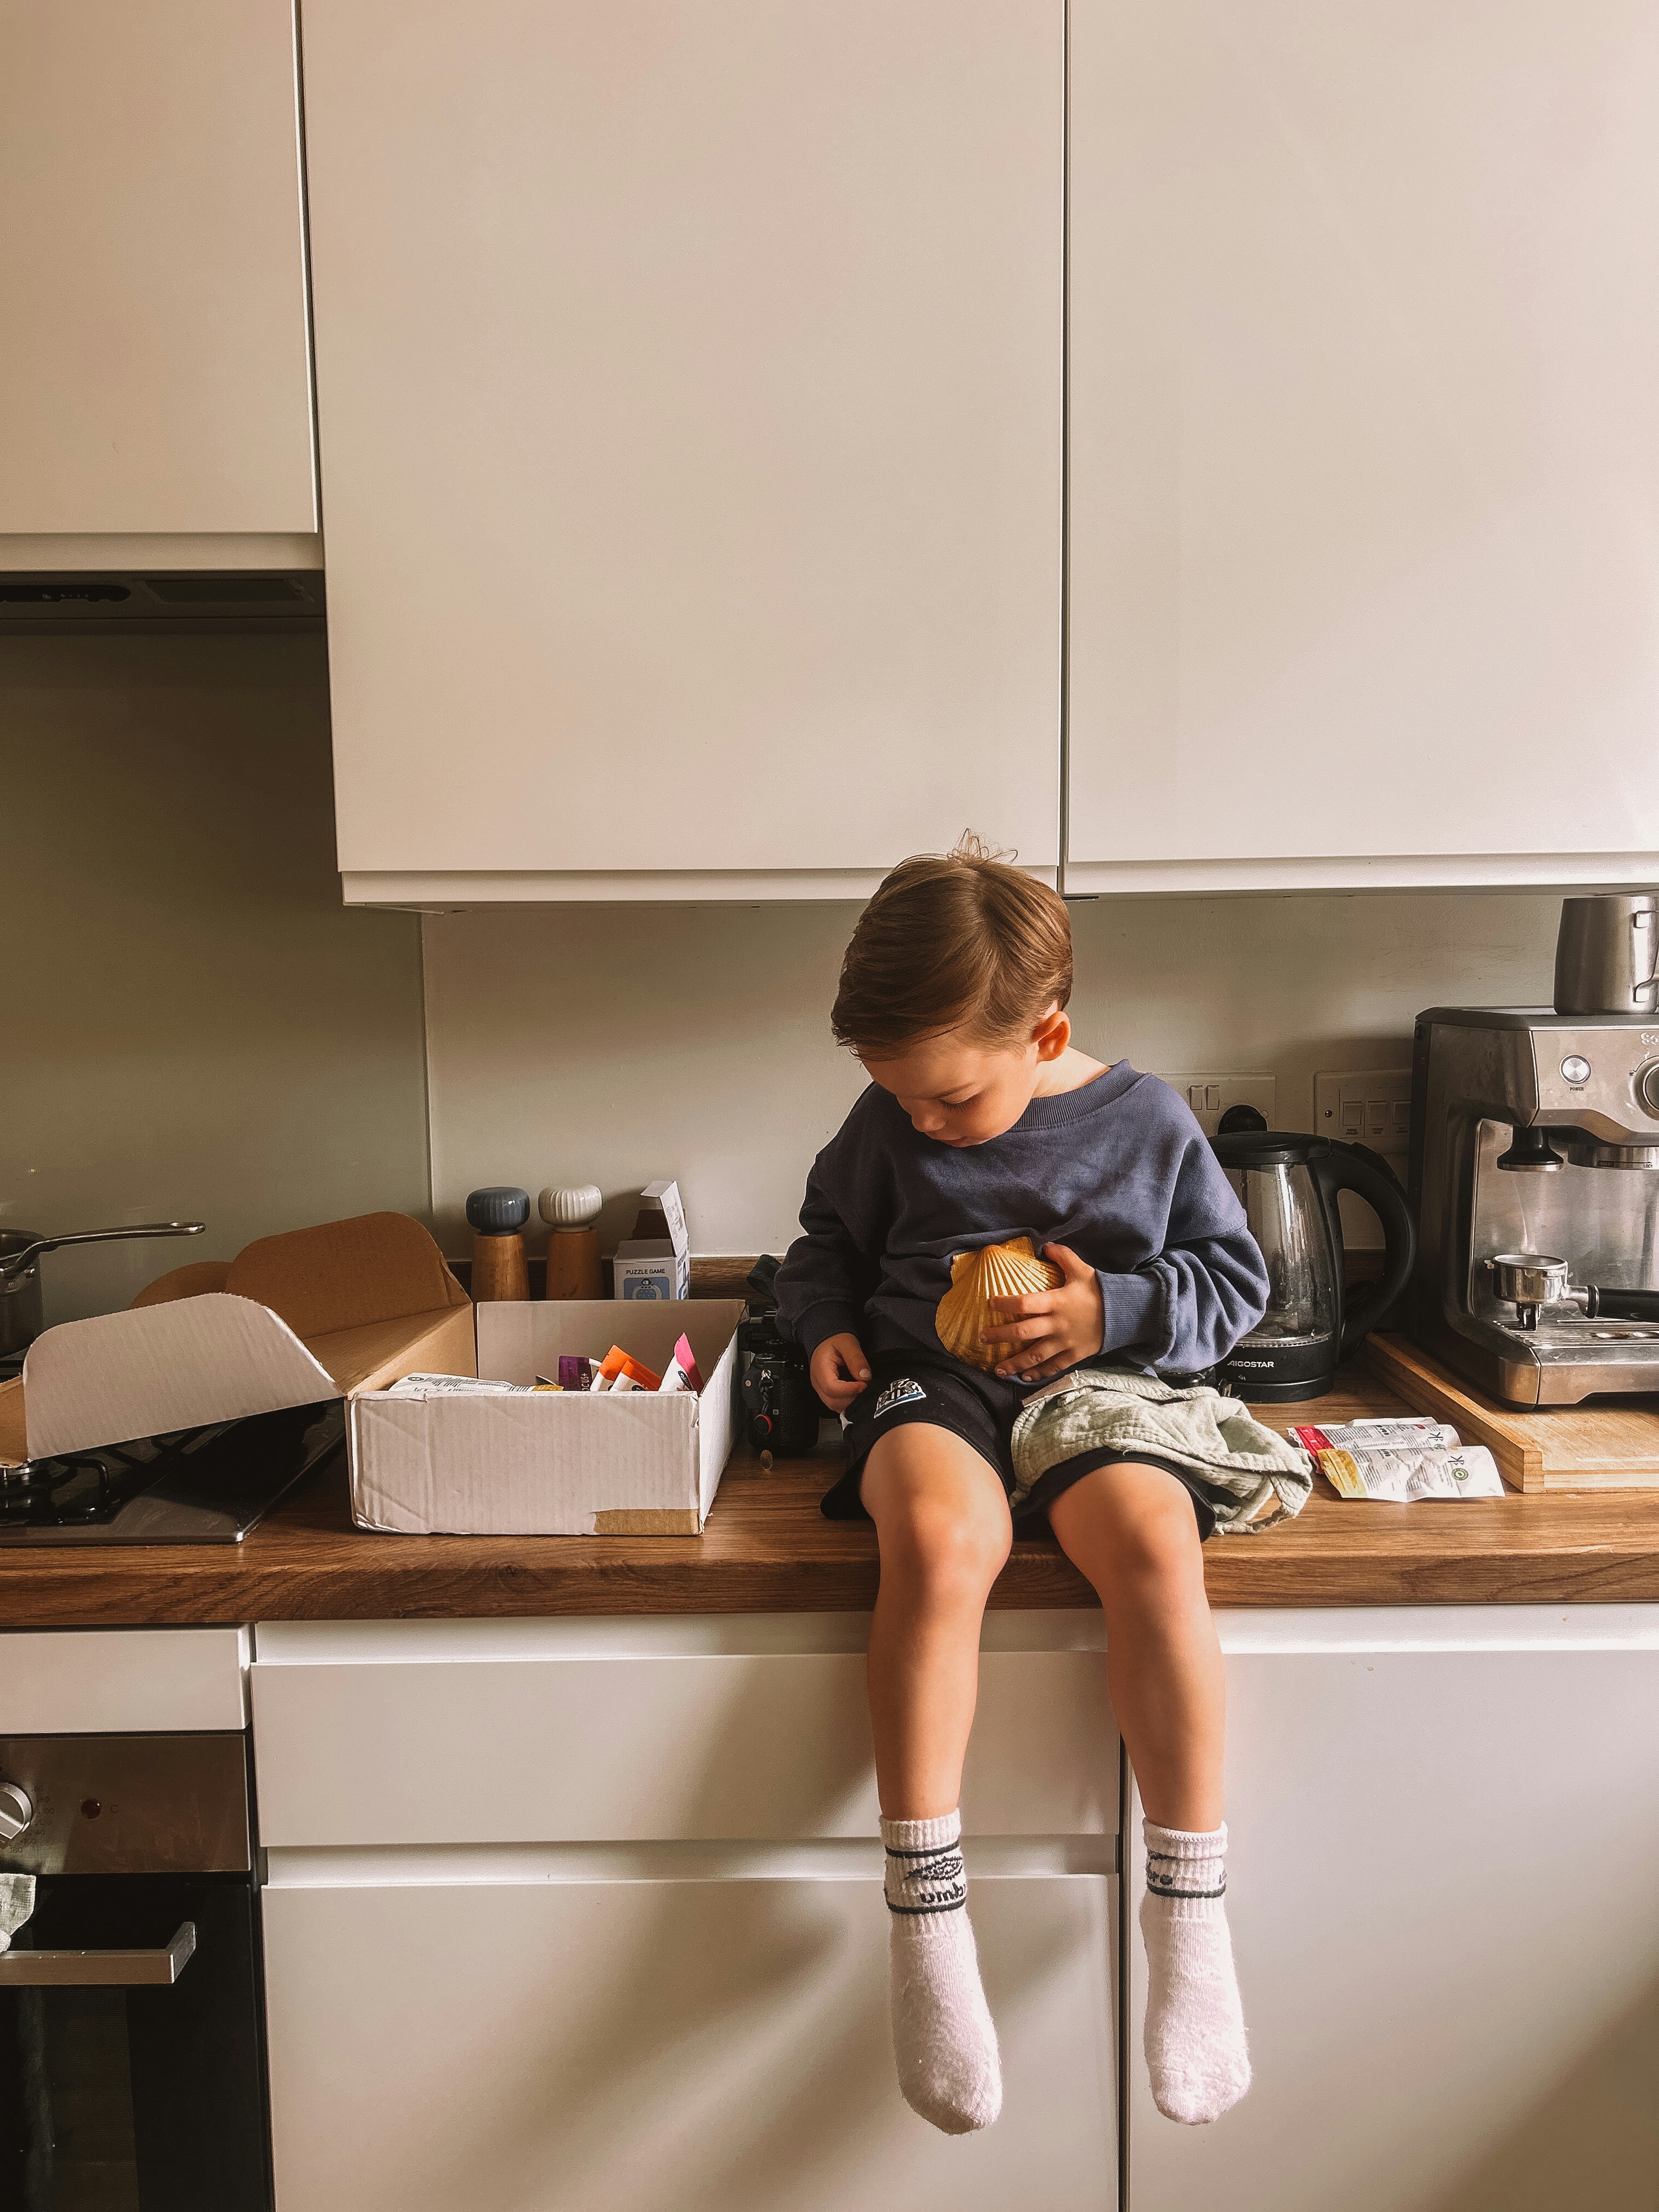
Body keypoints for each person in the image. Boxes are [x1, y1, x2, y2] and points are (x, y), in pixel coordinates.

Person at [773, 836, 1270, 2135]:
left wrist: (1108, 1307)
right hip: (933, 1387)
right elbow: (824, 1240)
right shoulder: (887, 1117)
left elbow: (1235, 1288)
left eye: (949, 1102)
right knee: (941, 1544)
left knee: (1156, 1544)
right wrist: (822, 1319)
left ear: (1045, 1033)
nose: (921, 1125)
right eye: (902, 1100)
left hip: (1093, 1390)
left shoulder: (1149, 1121)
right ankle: (928, 1923)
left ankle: (1193, 1914)